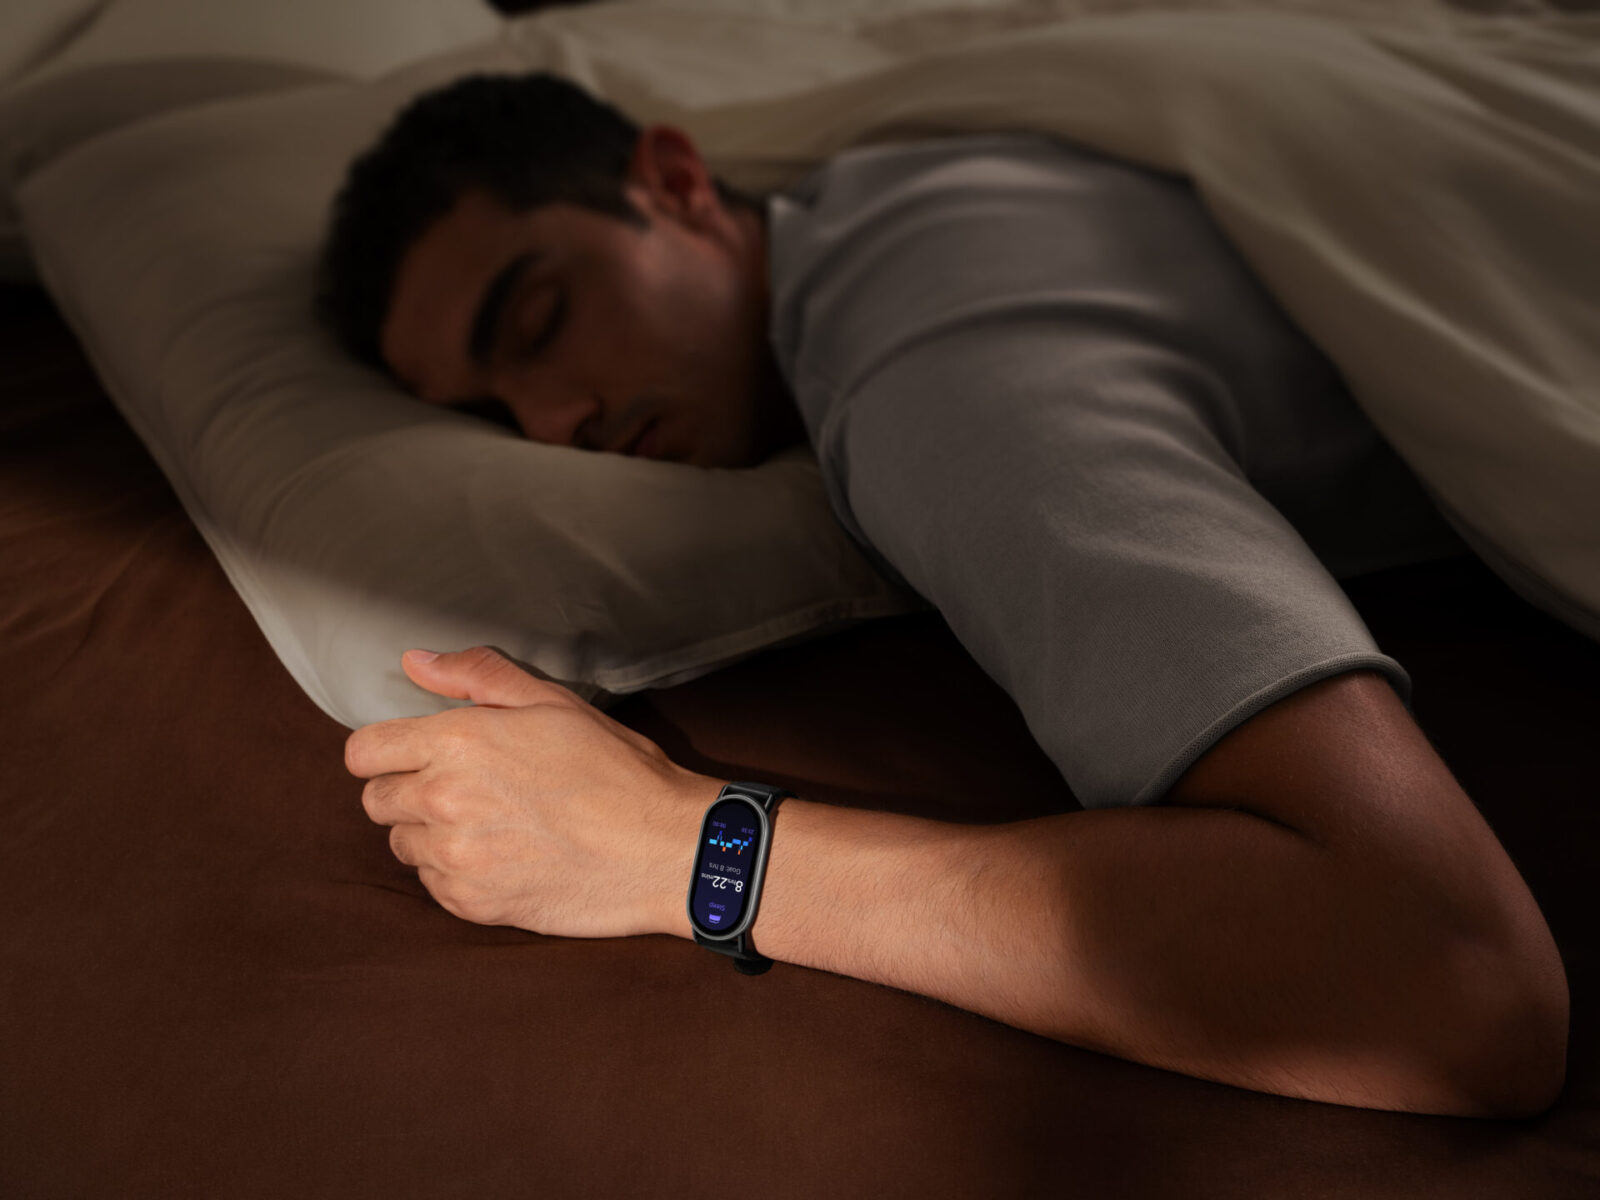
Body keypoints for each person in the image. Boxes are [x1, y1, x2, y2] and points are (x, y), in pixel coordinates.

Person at [323, 72, 1568, 1118]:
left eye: (541, 319)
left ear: (676, 181)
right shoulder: (921, 182)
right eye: (492, 415)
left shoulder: (933, 376)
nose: (553, 423)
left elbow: (1450, 979)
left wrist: (679, 845)